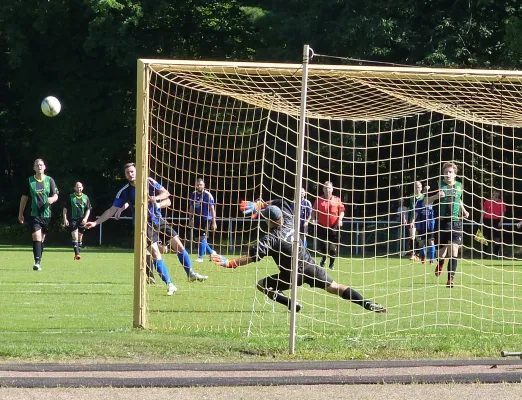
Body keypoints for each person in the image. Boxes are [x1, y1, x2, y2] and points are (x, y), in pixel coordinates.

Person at [212, 199, 386, 313]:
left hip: (292, 275)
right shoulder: (289, 219)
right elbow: (281, 201)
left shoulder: (271, 238)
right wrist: (262, 205)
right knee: (335, 287)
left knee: (262, 285)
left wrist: (231, 262)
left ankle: (290, 304)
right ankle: (366, 303)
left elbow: (251, 257)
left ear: (269, 221)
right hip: (310, 266)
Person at [85, 163, 207, 296]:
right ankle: (170, 284)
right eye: (127, 173)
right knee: (155, 253)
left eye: (132, 171)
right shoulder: (125, 191)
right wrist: (95, 223)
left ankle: (190, 273)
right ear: (125, 175)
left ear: (137, 172)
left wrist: (156, 199)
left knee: (179, 246)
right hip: (143, 225)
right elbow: (110, 211)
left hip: (158, 219)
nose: (130, 174)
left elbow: (166, 193)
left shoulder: (148, 181)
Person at [18, 158, 59, 271]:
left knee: (41, 239)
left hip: (46, 215)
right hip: (33, 214)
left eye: (41, 165)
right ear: (34, 168)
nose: (39, 167)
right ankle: (37, 262)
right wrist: (20, 213)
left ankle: (39, 260)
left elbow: (56, 195)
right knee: (37, 236)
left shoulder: (50, 180)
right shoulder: (29, 181)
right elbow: (24, 198)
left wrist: (52, 199)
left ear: (44, 167)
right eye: (37, 165)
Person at [433, 162, 470, 288]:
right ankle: (441, 262)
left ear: (455, 174)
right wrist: (436, 196)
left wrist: (464, 210)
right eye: (446, 172)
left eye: (450, 172)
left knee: (454, 251)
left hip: (456, 222)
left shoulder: (459, 185)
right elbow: (426, 200)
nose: (448, 174)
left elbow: (458, 198)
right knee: (441, 254)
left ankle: (450, 279)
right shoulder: (438, 184)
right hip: (442, 223)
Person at [312, 181, 345, 270]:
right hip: (322, 225)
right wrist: (313, 219)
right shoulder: (319, 199)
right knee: (323, 245)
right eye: (326, 188)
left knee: (333, 247)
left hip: (334, 225)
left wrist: (340, 220)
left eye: (329, 188)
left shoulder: (337, 199)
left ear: (332, 189)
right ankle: (323, 257)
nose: (327, 190)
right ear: (323, 189)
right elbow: (314, 210)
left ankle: (331, 264)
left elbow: (342, 211)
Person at [188, 178, 218, 262]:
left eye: (200, 184)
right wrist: (190, 219)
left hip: (206, 219)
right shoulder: (193, 194)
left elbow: (212, 209)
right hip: (197, 218)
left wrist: (213, 222)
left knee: (203, 237)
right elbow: (191, 207)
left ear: (204, 185)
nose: (199, 186)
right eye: (198, 184)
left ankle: (200, 257)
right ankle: (212, 253)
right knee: (199, 239)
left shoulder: (207, 195)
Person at [62, 181, 92, 260]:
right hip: (73, 219)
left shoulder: (85, 197)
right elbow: (65, 209)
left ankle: (78, 252)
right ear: (74, 188)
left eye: (80, 187)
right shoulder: (71, 197)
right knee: (74, 236)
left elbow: (88, 209)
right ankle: (77, 254)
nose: (79, 188)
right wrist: (65, 219)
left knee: (80, 238)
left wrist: (85, 218)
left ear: (82, 188)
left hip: (82, 220)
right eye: (77, 187)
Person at [411, 184, 437, 264]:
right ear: (424, 191)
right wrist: (412, 221)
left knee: (431, 242)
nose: (427, 192)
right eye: (426, 190)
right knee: (421, 243)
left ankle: (432, 261)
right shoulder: (419, 202)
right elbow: (416, 213)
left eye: (428, 191)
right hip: (421, 225)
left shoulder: (432, 200)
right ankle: (423, 257)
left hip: (430, 225)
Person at [480, 190, 506, 257]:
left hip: (496, 221)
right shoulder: (487, 201)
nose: (494, 194)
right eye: (493, 193)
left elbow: (503, 212)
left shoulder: (501, 202)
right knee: (483, 237)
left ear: (499, 194)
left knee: (497, 238)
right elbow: (484, 211)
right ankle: (484, 253)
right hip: (487, 220)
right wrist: (481, 219)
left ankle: (496, 253)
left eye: (496, 193)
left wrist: (501, 221)